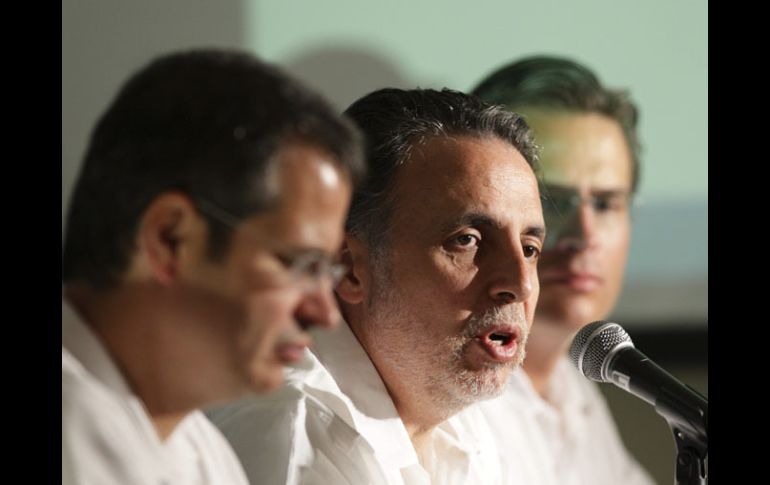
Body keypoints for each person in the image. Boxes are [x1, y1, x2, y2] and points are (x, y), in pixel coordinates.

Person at [209, 87, 545, 484]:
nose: (519, 284)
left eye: (528, 248)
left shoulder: (475, 430)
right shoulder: (288, 439)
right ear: (349, 267)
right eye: (467, 240)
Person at [61, 47, 365, 484]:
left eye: (327, 272)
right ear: (171, 238)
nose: (325, 312)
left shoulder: (199, 450)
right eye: (298, 264)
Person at [472, 55, 655, 485]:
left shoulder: (574, 389)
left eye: (607, 203)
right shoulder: (448, 397)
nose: (584, 234)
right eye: (553, 200)